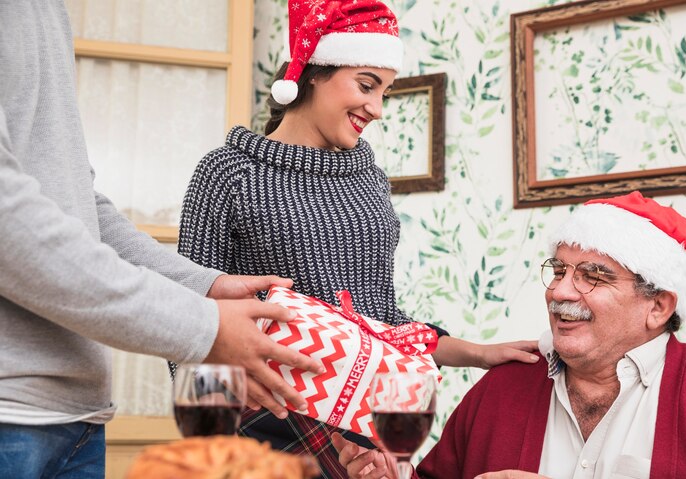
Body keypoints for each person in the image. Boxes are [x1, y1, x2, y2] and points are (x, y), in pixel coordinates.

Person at [176, 0, 538, 476]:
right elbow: (188, 315)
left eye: (385, 92)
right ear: (311, 73)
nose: (377, 108)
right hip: (264, 422)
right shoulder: (229, 173)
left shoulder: (369, 179)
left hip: (361, 427)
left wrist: (475, 353)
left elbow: (383, 322)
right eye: (367, 85)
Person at [0, 2, 324, 477]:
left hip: (78, 418)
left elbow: (76, 205)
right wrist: (204, 326)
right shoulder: (229, 172)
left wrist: (203, 285)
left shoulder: (45, 10)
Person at [333, 191, 686, 479]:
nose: (560, 292)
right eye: (559, 271)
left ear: (658, 307)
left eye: (592, 276)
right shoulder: (503, 386)